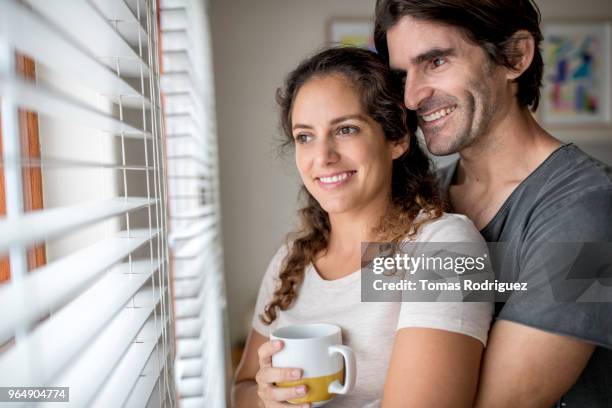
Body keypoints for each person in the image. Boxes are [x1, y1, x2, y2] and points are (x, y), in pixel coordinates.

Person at [374, 0, 612, 407]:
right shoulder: (425, 199)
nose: (411, 98)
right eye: (402, 75)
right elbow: (372, 337)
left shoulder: (591, 209)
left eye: (435, 62)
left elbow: (504, 403)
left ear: (514, 57)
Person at [231, 47, 493, 407]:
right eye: (305, 136)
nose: (323, 156)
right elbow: (242, 388)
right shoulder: (291, 261)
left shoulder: (441, 247)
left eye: (346, 129)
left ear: (397, 138)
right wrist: (266, 398)